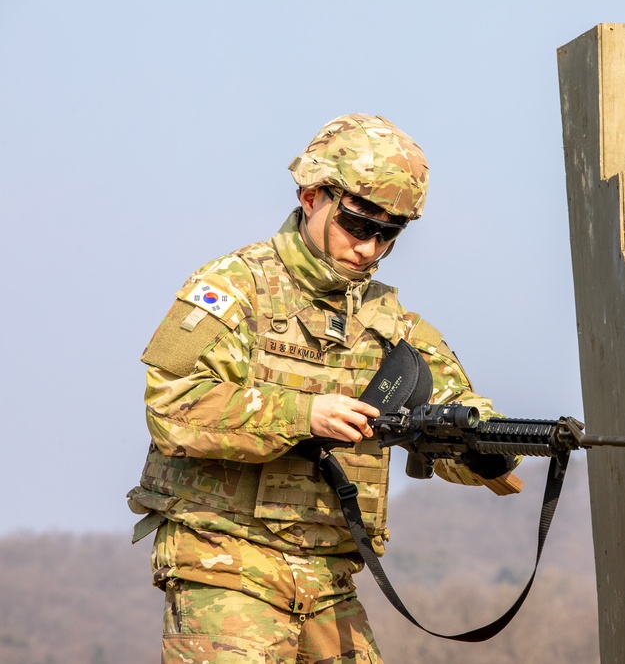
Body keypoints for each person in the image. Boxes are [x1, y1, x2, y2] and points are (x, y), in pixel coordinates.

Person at [127, 113, 517, 664]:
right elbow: (172, 405)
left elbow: (450, 411)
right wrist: (304, 414)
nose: (370, 248)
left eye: (389, 234)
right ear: (312, 196)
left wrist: (487, 449)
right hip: (226, 565)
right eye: (359, 225)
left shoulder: (391, 323)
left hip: (330, 581)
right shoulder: (233, 288)